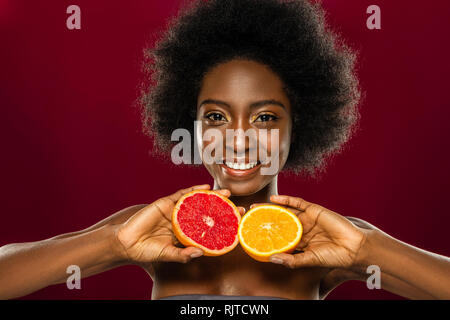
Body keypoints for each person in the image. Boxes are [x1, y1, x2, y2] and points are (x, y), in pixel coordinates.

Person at [0, 0, 449, 300]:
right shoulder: (153, 229)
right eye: (216, 117)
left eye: (265, 117)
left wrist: (368, 253)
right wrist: (114, 245)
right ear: (191, 124)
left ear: (302, 126)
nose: (238, 138)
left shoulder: (327, 242)